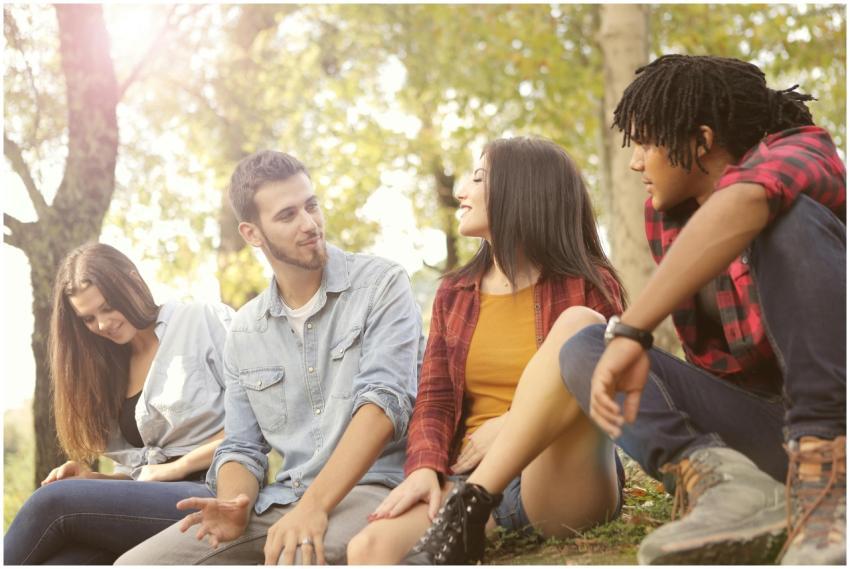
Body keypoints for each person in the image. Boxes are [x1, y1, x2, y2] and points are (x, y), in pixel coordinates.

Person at [553, 54, 844, 564]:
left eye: (645, 143)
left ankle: (829, 491)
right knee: (585, 349)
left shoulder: (803, 151)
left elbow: (752, 196)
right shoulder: (668, 213)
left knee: (792, 220)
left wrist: (634, 329)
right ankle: (734, 490)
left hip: (835, 416)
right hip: (773, 431)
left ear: (702, 142)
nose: (635, 162)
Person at [115, 150, 424, 565]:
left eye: (311, 206)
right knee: (136, 564)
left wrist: (314, 508)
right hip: (283, 501)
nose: (310, 224)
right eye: (288, 215)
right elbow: (241, 446)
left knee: (293, 558)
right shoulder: (245, 330)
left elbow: (384, 404)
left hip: (374, 486)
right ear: (252, 233)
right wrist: (233, 502)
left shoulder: (381, 285)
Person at [346, 137, 627, 565]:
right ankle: (469, 512)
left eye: (478, 178)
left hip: (558, 474)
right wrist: (424, 468)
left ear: (523, 191)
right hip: (471, 481)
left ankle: (472, 504)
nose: (462, 192)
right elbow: (435, 395)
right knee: (367, 548)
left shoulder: (588, 283)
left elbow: (618, 384)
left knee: (581, 328)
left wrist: (512, 424)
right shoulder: (454, 292)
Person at [4, 242, 233, 564]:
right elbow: (141, 474)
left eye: (108, 306)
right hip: (152, 501)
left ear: (131, 281)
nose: (102, 324)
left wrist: (174, 468)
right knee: (66, 561)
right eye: (88, 318)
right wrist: (95, 482)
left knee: (51, 502)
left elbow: (260, 424)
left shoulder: (201, 320)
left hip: (216, 490)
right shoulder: (109, 365)